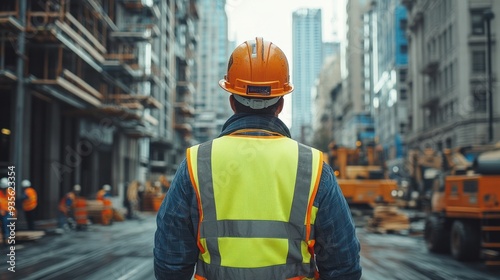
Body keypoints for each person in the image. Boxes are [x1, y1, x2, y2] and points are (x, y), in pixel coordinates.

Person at [154, 38, 362, 279]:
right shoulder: (312, 167)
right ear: (281, 103)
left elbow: (170, 262)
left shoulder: (197, 163)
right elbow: (343, 264)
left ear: (232, 101)